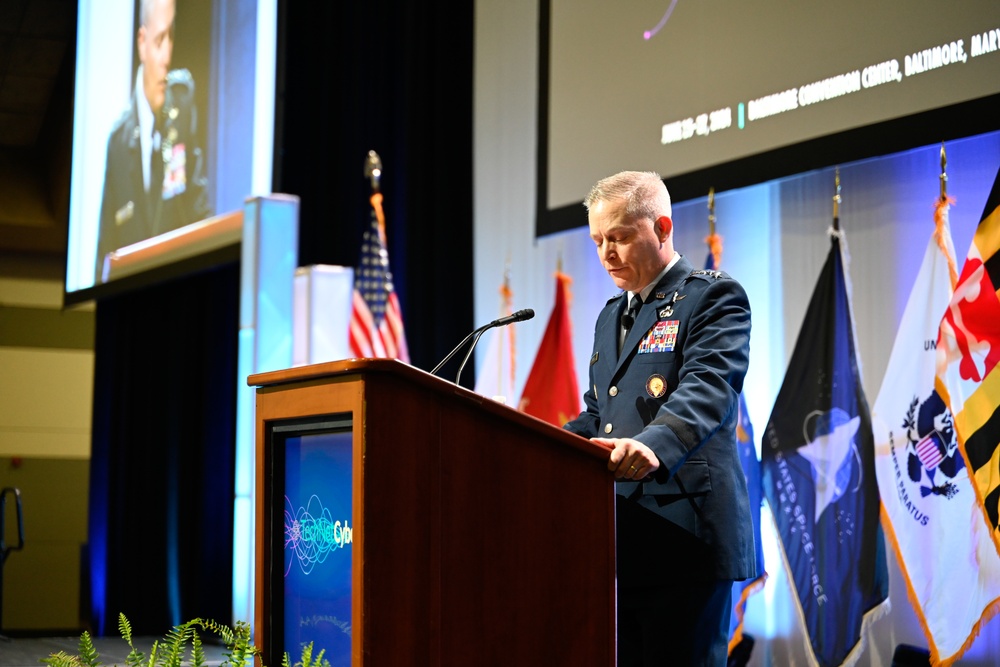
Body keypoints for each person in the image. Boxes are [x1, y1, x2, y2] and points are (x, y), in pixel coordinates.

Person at [563, 171, 756, 666]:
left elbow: (709, 386)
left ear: (663, 227)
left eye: (620, 237)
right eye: (598, 240)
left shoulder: (711, 297)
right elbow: (598, 414)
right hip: (621, 541)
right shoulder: (610, 315)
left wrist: (655, 443)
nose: (606, 252)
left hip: (684, 536)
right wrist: (537, 443)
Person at [96, 0, 210, 282]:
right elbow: (106, 246)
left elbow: (196, 202)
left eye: (171, 37)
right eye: (160, 40)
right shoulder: (118, 142)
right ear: (142, 42)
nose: (167, 56)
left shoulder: (181, 106)